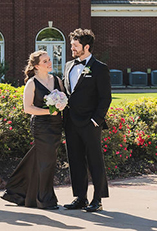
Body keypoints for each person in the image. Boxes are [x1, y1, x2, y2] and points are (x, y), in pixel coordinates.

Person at [1, 51, 65, 209]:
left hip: (56, 125)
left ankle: (20, 192)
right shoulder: (32, 83)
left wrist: (61, 105)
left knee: (42, 160)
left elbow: (64, 98)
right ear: (36, 66)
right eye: (45, 61)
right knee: (46, 162)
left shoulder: (57, 80)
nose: (49, 63)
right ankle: (44, 199)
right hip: (41, 126)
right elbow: (27, 108)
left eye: (49, 60)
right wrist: (48, 111)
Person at [63, 28, 112, 212]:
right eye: (72, 45)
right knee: (75, 160)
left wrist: (96, 120)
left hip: (90, 123)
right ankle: (80, 197)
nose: (72, 49)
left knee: (95, 161)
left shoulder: (100, 68)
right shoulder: (68, 65)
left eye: (75, 46)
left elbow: (105, 98)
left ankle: (97, 199)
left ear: (87, 47)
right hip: (70, 122)